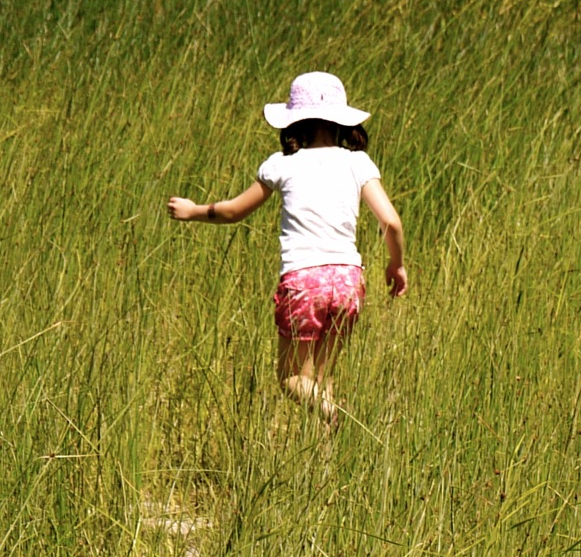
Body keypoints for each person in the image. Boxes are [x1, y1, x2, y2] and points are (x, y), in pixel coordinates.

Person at [167, 71, 407, 417]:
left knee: (291, 377)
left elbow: (234, 211)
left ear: (294, 123)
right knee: (322, 381)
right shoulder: (357, 162)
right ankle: (327, 456)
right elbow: (392, 222)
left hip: (303, 281)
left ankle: (339, 416)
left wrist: (193, 211)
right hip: (348, 280)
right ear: (340, 121)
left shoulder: (282, 165)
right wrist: (396, 264)